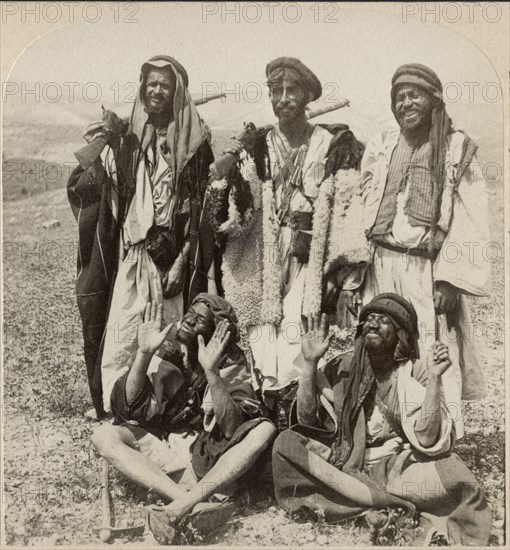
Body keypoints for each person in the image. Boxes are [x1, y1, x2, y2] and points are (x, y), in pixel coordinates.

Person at [209, 57, 365, 429]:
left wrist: (339, 273)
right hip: (265, 254)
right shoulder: (259, 145)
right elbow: (233, 207)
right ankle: (265, 413)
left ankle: (303, 416)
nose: (282, 99)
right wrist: (233, 165)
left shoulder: (332, 145)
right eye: (275, 92)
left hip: (310, 254)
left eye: (291, 90)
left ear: (307, 95)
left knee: (300, 331)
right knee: (264, 333)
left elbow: (346, 209)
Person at [342, 63, 491, 437]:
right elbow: (362, 204)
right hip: (380, 263)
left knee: (430, 342)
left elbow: (470, 217)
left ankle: (438, 426)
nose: (406, 103)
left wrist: (450, 280)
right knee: (382, 342)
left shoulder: (455, 148)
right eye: (399, 97)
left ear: (433, 100)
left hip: (426, 268)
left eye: (414, 95)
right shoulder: (382, 145)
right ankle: (387, 422)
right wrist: (354, 272)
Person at [272, 293, 491, 546]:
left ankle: (363, 503)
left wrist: (434, 380)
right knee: (285, 445)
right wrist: (310, 364)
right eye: (369, 319)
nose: (372, 325)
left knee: (456, 473)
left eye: (383, 320)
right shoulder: (343, 366)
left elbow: (428, 438)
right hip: (343, 466)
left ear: (400, 334)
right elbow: (307, 420)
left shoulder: (415, 370)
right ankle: (388, 504)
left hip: (397, 471)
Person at [68, 56, 218, 419]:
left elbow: (199, 211)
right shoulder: (130, 140)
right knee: (122, 329)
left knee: (169, 333)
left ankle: (163, 406)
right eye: (151, 82)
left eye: (165, 84)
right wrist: (106, 138)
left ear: (177, 91)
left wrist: (184, 260)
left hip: (172, 258)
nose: (157, 90)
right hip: (134, 255)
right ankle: (115, 403)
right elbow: (101, 188)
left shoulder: (195, 145)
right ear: (142, 87)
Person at [92, 294, 275, 544]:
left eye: (200, 320)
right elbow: (129, 408)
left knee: (264, 429)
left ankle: (184, 504)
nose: (189, 321)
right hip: (164, 457)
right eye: (190, 313)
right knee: (103, 435)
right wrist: (144, 353)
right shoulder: (172, 350)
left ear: (215, 334)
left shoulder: (231, 363)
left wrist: (212, 372)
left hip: (207, 466)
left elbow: (234, 428)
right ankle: (186, 503)